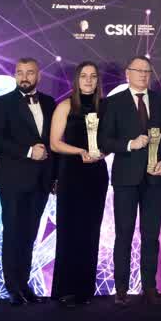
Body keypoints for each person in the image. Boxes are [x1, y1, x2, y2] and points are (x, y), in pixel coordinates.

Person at [98, 55, 161, 306]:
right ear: (127, 74)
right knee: (124, 234)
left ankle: (150, 287)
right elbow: (104, 140)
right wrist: (130, 144)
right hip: (125, 179)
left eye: (147, 71)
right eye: (138, 70)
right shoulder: (113, 102)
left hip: (155, 178)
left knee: (151, 235)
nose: (143, 75)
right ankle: (121, 288)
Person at [0, 57, 56, 306]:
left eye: (30, 72)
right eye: (20, 72)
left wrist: (54, 177)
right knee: (13, 232)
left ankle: (24, 285)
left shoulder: (49, 102)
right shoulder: (2, 103)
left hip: (41, 181)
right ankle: (12, 287)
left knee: (29, 234)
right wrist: (28, 151)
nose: (24, 77)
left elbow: (54, 142)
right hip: (13, 179)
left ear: (39, 75)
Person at [48, 61, 108, 306]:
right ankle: (65, 289)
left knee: (91, 231)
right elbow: (54, 143)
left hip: (96, 174)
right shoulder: (65, 106)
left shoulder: (105, 107)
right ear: (77, 79)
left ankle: (84, 290)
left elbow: (111, 140)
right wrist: (80, 151)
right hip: (71, 173)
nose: (88, 80)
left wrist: (103, 152)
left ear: (97, 80)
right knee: (69, 230)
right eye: (84, 76)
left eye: (93, 76)